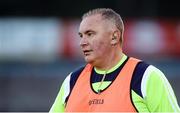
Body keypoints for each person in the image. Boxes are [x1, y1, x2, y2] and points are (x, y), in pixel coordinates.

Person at [50, 8, 180, 112]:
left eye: (90, 34)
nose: (82, 42)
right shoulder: (72, 81)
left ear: (114, 37)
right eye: (81, 36)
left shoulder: (145, 77)